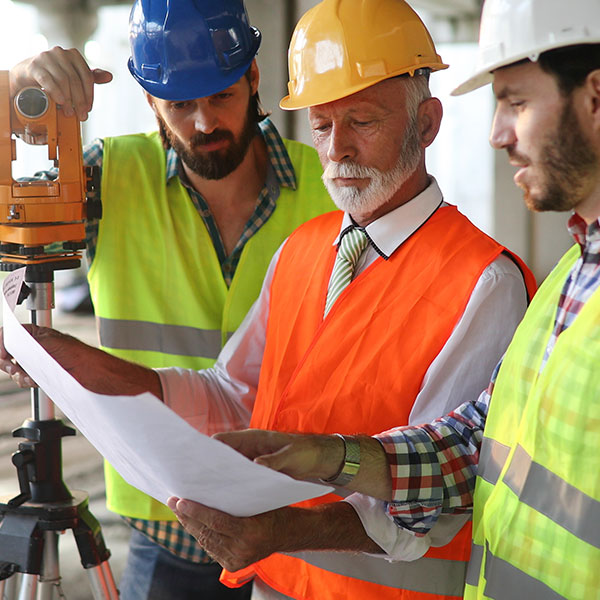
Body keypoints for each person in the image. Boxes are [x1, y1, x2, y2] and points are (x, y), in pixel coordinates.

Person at [1, 0, 536, 599]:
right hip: (267, 581)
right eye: (324, 124)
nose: (339, 151)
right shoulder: (303, 249)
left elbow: (442, 494)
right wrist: (73, 361)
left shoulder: (483, 282)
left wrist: (280, 528)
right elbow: (235, 397)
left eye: (363, 121)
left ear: (429, 124)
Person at [210, 1, 600, 599]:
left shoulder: (491, 280)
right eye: (321, 123)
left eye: (516, 101)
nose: (497, 134)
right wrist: (329, 456)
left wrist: (292, 515)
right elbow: (473, 444)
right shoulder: (570, 279)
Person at [8, 1, 334, 598]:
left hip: (297, 523)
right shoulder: (109, 175)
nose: (206, 122)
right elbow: (15, 225)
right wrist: (17, 92)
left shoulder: (330, 190)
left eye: (223, 96)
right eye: (181, 104)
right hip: (168, 527)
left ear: (254, 79)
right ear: (151, 101)